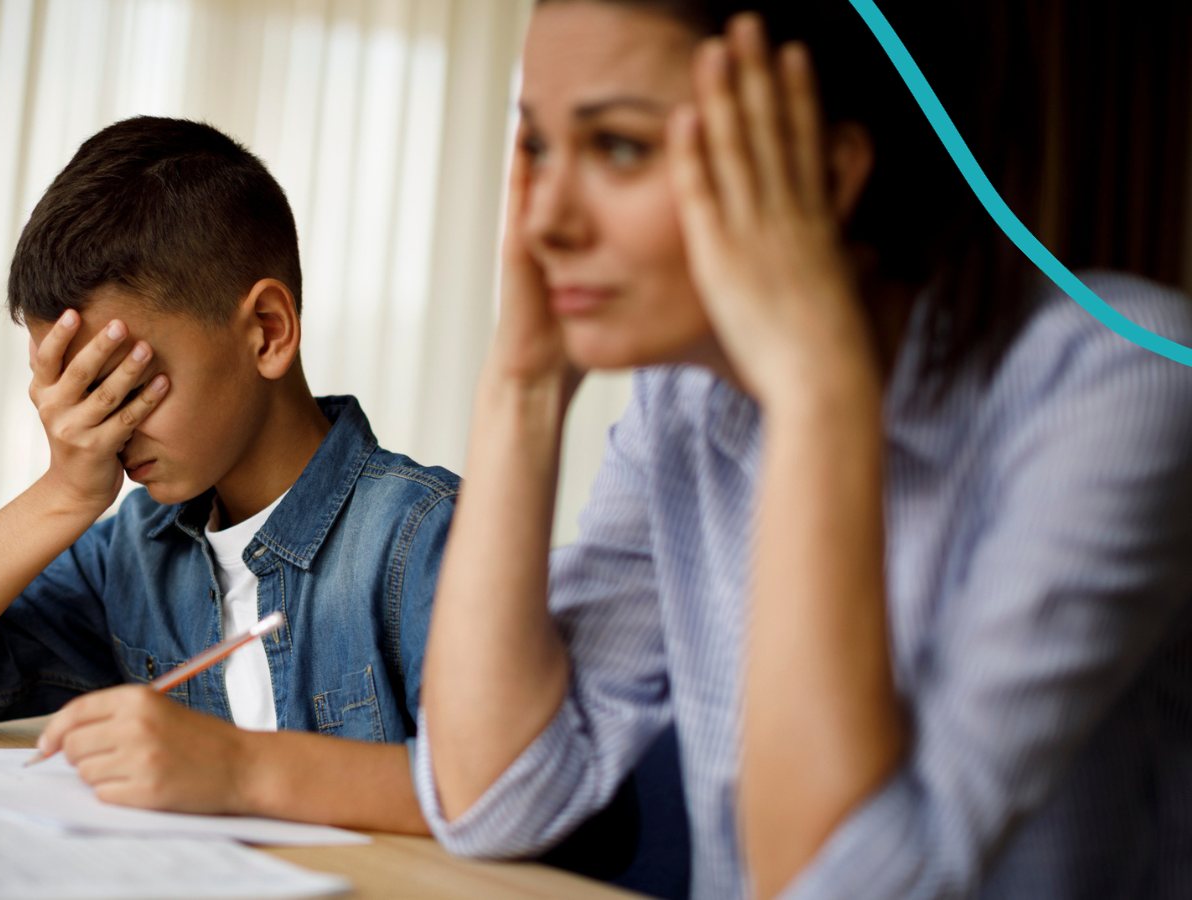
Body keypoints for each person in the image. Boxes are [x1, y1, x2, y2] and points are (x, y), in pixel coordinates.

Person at [415, 1, 1192, 898]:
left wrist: (818, 387)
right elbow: (494, 796)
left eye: (619, 146)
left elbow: (841, 886)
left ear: (823, 174)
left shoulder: (1121, 385)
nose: (545, 221)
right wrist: (523, 385)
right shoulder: (686, 397)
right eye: (538, 147)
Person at [0, 116, 457, 834]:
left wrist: (235, 770)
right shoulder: (138, 552)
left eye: (122, 386)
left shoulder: (427, 539)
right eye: (78, 393)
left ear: (267, 331)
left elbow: (513, 796)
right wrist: (63, 495)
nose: (101, 429)